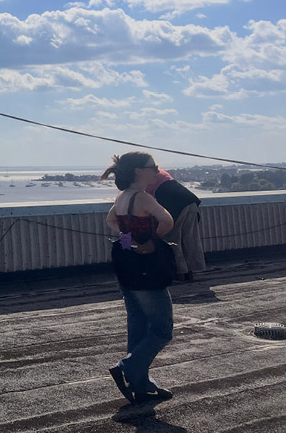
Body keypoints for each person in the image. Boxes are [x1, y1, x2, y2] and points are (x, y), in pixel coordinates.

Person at [102, 151, 176, 404]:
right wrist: (150, 243)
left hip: (126, 264)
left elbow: (111, 220)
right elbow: (167, 220)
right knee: (162, 329)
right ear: (138, 171)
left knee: (138, 324)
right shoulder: (143, 198)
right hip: (146, 267)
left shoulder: (122, 197)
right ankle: (127, 368)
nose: (156, 170)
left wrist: (128, 241)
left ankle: (141, 384)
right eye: (152, 166)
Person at [146, 167, 205, 281]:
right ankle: (190, 272)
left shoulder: (139, 177)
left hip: (172, 203)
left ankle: (179, 273)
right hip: (189, 199)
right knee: (189, 238)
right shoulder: (156, 171)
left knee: (171, 239)